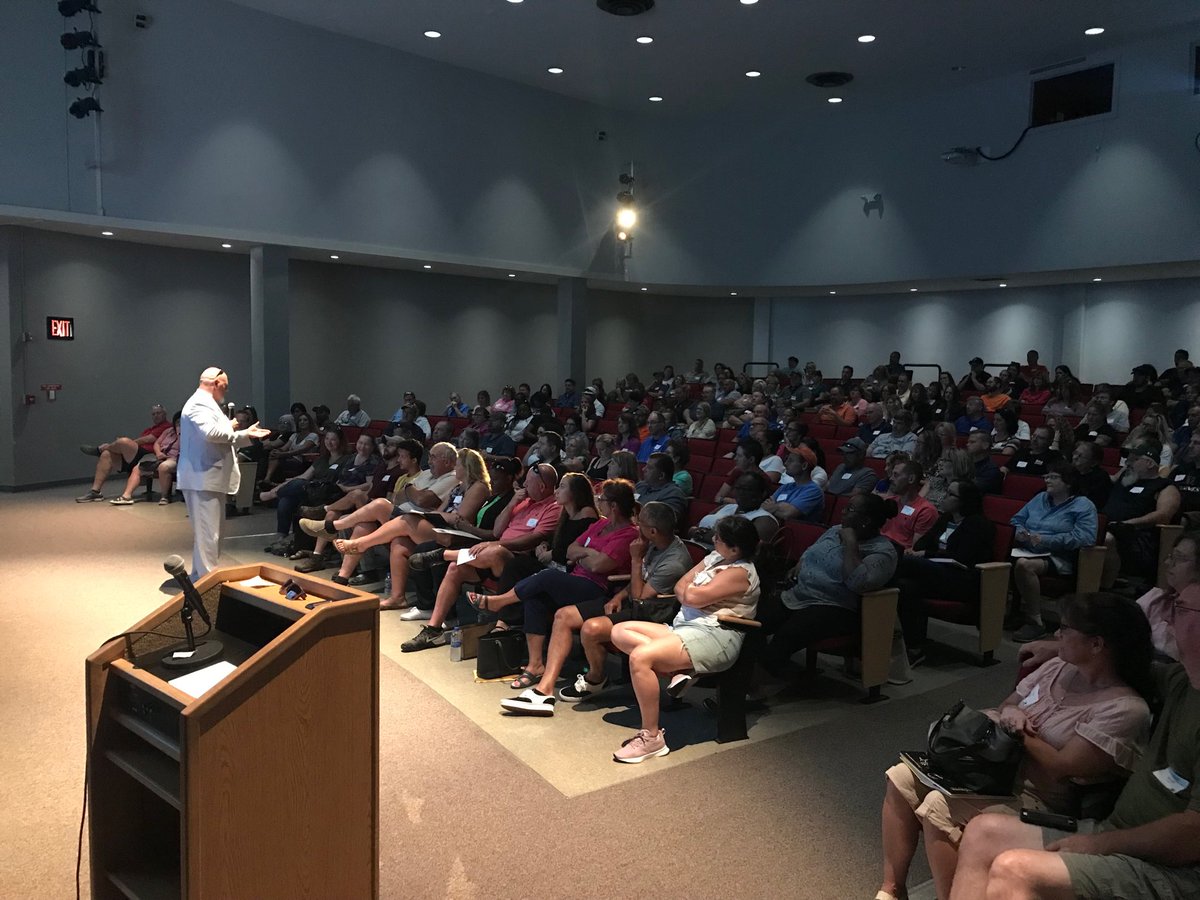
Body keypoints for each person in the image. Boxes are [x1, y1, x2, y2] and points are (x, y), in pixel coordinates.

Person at [949, 558, 1200, 900]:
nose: (1168, 617)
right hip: (1118, 831)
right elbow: (1121, 657)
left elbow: (1192, 834)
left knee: (1015, 869)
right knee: (982, 831)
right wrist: (1062, 647)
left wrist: (1099, 844)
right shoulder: (1182, 682)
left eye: (1181, 608)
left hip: (1172, 868)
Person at [879, 591, 1153, 900]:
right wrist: (1011, 712)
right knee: (901, 776)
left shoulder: (1125, 709)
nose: (1057, 635)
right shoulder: (1059, 668)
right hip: (996, 770)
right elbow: (1010, 703)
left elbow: (1063, 766)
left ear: (1097, 644)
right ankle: (893, 889)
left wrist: (1018, 731)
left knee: (937, 809)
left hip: (1043, 797)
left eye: (1065, 629)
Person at [608, 515, 762, 763]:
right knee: (619, 631)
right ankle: (683, 666)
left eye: (718, 539)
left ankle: (651, 738)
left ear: (735, 549)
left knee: (640, 657)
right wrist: (690, 590)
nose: (713, 541)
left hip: (715, 636)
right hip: (686, 628)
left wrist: (689, 591)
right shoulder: (716, 558)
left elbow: (691, 597)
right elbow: (681, 586)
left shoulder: (740, 573)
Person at [481, 479, 637, 698]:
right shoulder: (601, 524)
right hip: (576, 580)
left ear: (614, 506)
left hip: (598, 588)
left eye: (602, 499)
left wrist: (584, 555)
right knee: (537, 597)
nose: (598, 502)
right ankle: (535, 665)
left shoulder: (628, 533)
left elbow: (600, 566)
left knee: (548, 576)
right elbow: (571, 550)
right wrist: (587, 555)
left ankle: (500, 602)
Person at [401, 462, 563, 652]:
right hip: (489, 556)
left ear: (542, 486)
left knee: (496, 551)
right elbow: (497, 530)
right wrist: (512, 504)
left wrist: (495, 544)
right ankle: (433, 629)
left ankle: (442, 555)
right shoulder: (524, 501)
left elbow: (533, 539)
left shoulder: (553, 508)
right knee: (455, 568)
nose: (523, 487)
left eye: (528, 483)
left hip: (518, 562)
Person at [759, 492, 898, 679]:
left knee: (783, 639)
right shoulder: (835, 530)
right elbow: (811, 550)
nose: (842, 512)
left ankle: (791, 679)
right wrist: (800, 564)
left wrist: (851, 543)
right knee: (755, 622)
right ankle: (757, 669)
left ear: (865, 520)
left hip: (835, 607)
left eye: (849, 509)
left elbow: (858, 583)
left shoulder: (883, 552)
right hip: (800, 595)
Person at [177, 368, 270, 578]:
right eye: (225, 387)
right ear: (216, 383)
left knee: (208, 534)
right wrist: (244, 432)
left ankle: (201, 577)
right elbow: (211, 433)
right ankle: (209, 581)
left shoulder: (204, 403)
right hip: (203, 476)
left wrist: (234, 428)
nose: (225, 392)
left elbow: (211, 434)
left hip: (207, 476)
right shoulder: (200, 403)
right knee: (208, 535)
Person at [894, 481, 995, 660]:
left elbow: (962, 558)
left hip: (961, 579)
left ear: (963, 501)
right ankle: (914, 647)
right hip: (936, 573)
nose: (944, 497)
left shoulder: (977, 524)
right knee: (905, 586)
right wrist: (921, 551)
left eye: (950, 494)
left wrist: (926, 554)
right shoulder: (946, 519)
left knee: (904, 563)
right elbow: (922, 542)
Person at [1007, 462, 1100, 643]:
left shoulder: (1083, 505)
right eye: (1046, 477)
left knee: (1025, 565)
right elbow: (1017, 519)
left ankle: (1035, 622)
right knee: (998, 561)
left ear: (1068, 482)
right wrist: (1020, 531)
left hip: (1059, 557)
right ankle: (1006, 613)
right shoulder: (1040, 498)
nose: (1047, 480)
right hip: (1026, 549)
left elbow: (1086, 537)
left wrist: (1046, 540)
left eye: (1053, 477)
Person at [1102, 440, 1182, 589]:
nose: (1128, 463)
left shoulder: (1164, 486)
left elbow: (1163, 515)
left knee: (1106, 539)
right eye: (1128, 459)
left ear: (1150, 464)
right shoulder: (1125, 480)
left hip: (1138, 536)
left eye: (1134, 459)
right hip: (1108, 526)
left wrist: (1129, 523)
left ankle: (1103, 588)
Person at [77, 404, 173, 503]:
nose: (156, 416)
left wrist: (126, 444)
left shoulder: (167, 426)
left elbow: (148, 439)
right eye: (153, 414)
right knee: (106, 454)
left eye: (158, 413)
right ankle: (95, 491)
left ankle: (99, 450)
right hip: (136, 455)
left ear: (164, 414)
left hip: (148, 455)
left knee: (123, 441)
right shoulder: (149, 429)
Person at [109, 411, 182, 506]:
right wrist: (159, 453)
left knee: (164, 467)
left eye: (181, 422)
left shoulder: (188, 434)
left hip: (174, 458)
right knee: (138, 468)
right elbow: (157, 443)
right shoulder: (168, 431)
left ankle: (165, 497)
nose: (179, 424)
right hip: (160, 456)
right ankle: (126, 496)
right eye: (177, 422)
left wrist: (180, 433)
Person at [880, 460, 939, 551]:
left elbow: (915, 549)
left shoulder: (926, 510)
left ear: (911, 479)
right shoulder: (889, 501)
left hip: (899, 555)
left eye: (896, 475)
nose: (891, 478)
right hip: (879, 547)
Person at [761, 446, 824, 523]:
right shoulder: (785, 486)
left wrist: (773, 507)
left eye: (790, 461)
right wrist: (779, 507)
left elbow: (788, 514)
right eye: (787, 459)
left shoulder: (814, 490)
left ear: (804, 466)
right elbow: (764, 506)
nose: (785, 463)